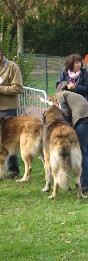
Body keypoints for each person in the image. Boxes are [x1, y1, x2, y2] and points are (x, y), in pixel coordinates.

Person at [50, 91, 88, 193]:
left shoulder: (61, 96)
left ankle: (85, 184)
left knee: (82, 152)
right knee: (86, 151)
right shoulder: (73, 95)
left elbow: (66, 114)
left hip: (83, 120)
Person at [0, 45, 23, 179]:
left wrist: (0, 89)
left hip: (7, 110)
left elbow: (18, 88)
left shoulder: (12, 67)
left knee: (10, 141)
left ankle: (13, 170)